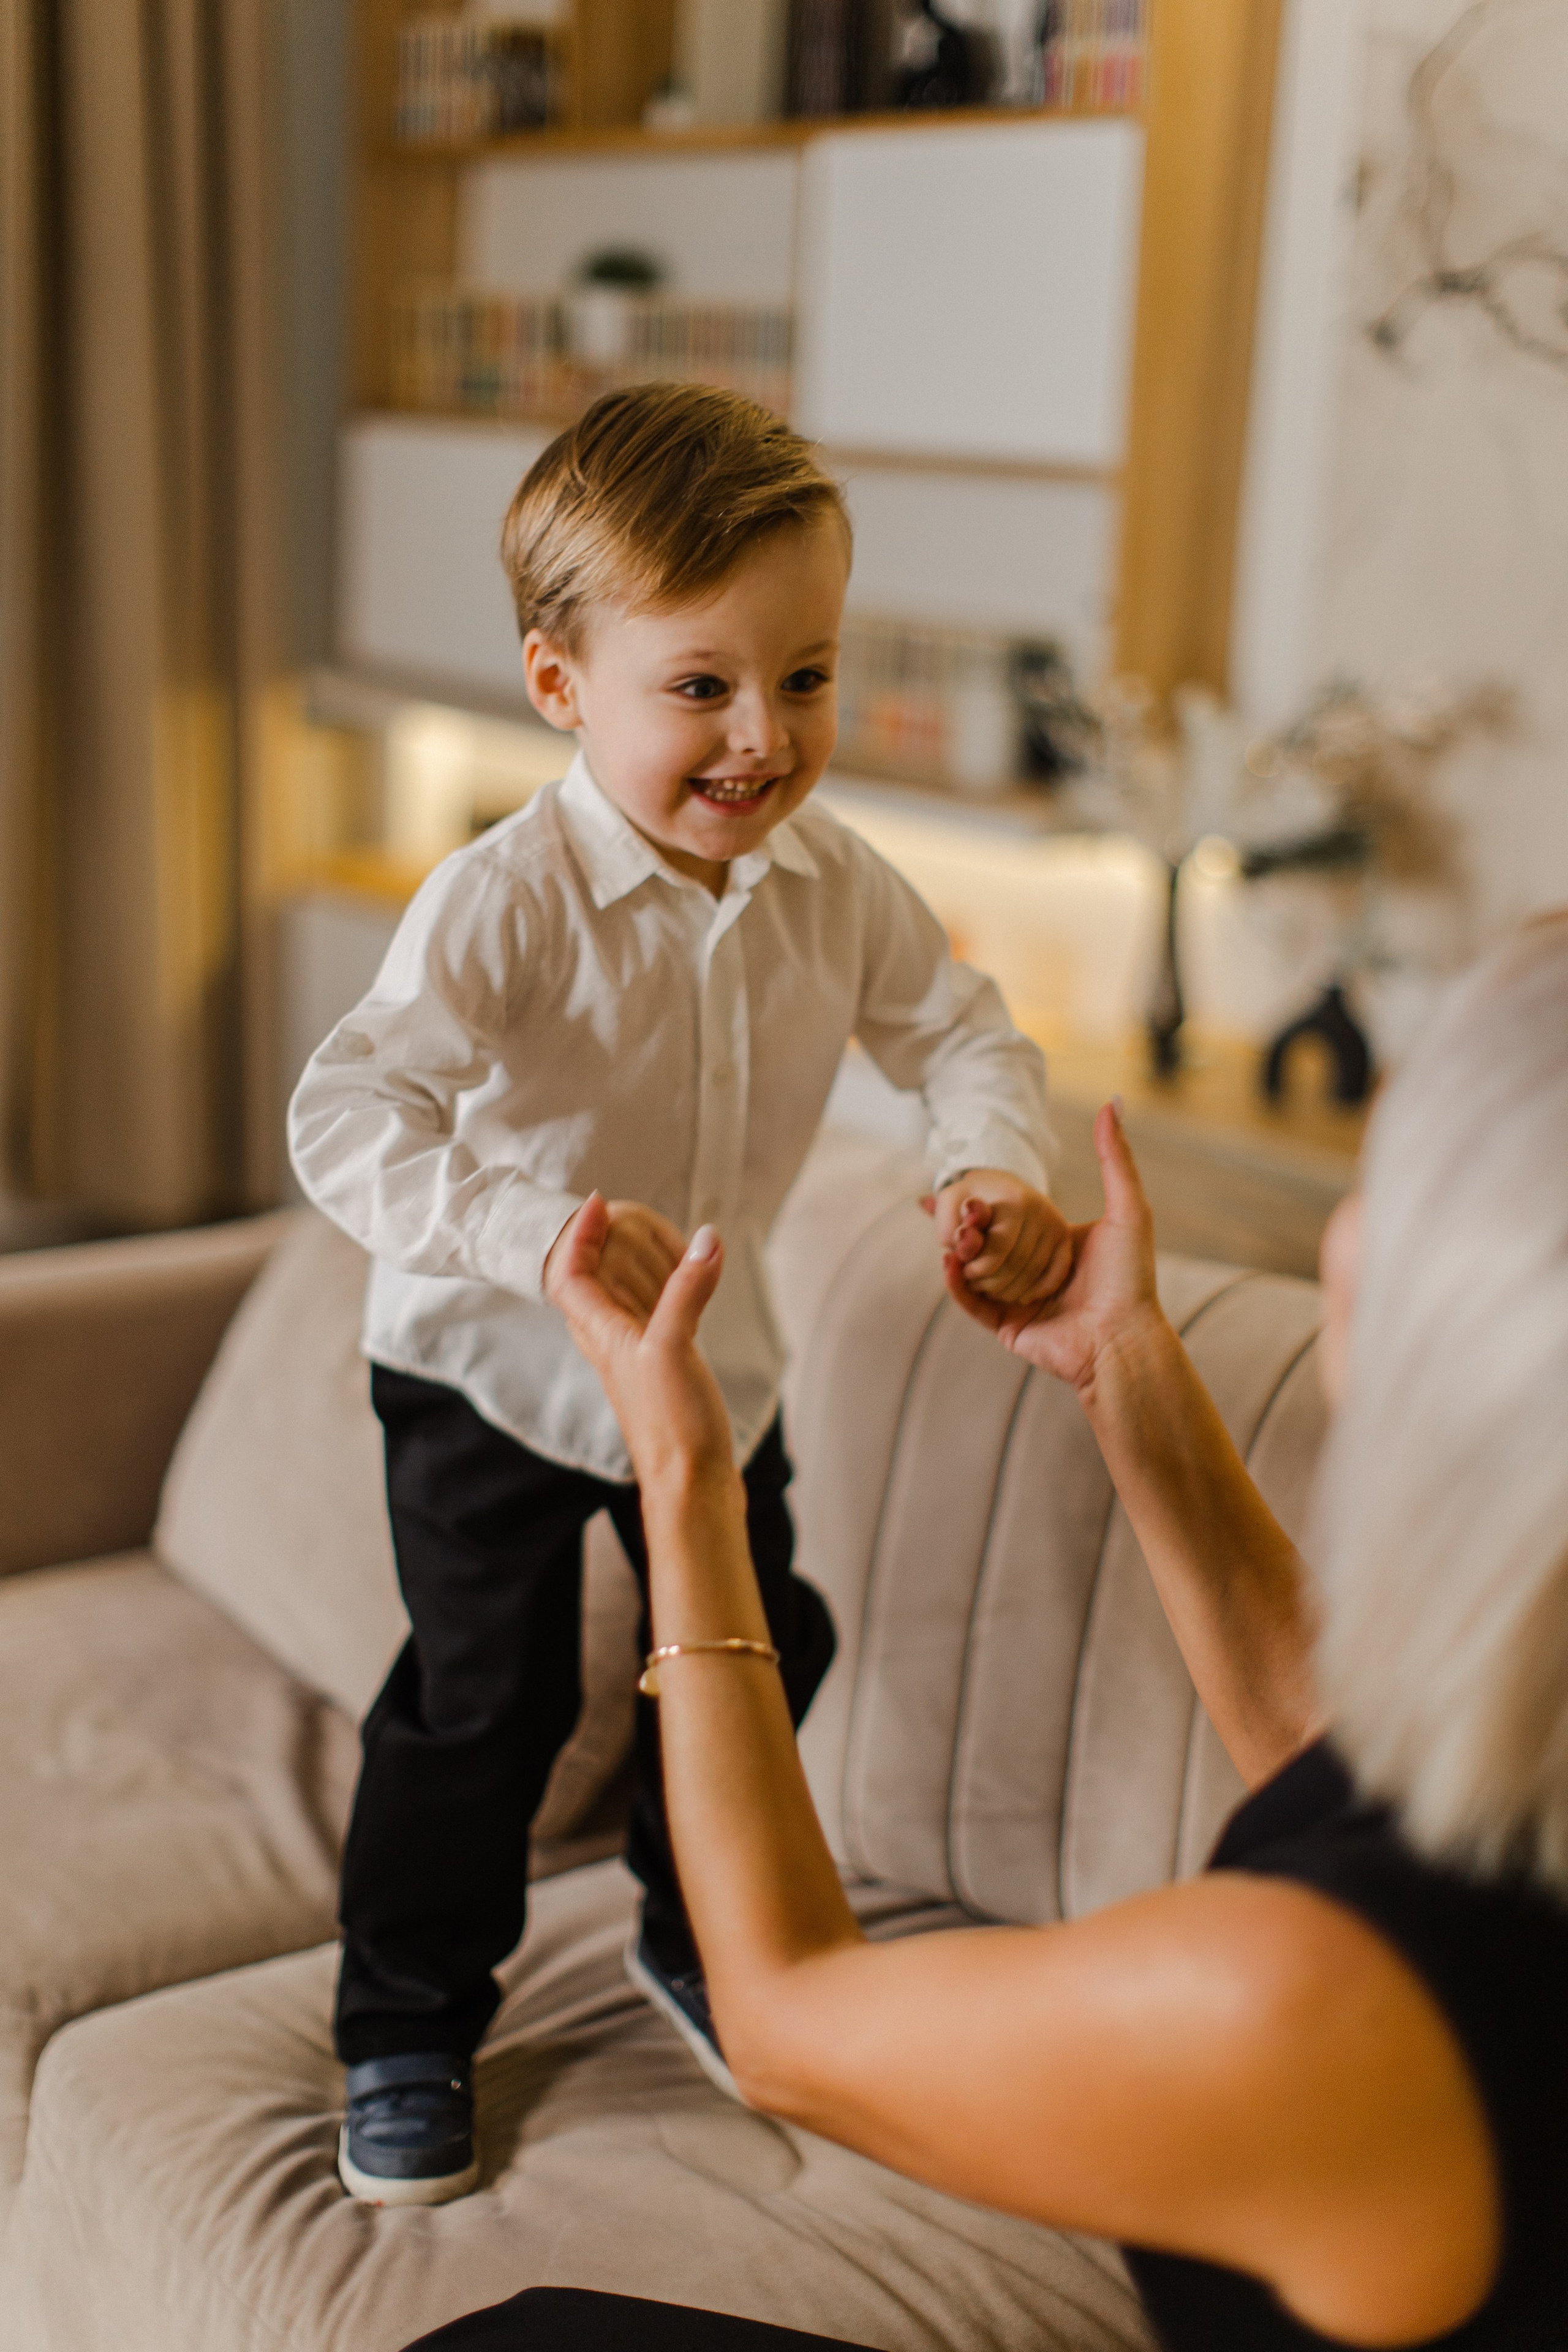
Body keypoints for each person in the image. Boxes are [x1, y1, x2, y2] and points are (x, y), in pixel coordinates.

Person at [415, 921, 1568, 2349]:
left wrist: (680, 1473)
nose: (1345, 1222)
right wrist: (1122, 1358)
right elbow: (1330, 1752)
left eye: (1380, 1177)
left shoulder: (1311, 2009)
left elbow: (785, 2021)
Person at [288, 382, 1069, 2206]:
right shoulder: (503, 898)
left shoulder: (838, 885)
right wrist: (520, 1230)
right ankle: (405, 2016)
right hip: (492, 1365)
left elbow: (958, 1031)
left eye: (803, 679)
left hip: (714, 1382)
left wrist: (991, 1171)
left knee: (756, 1651)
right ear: (562, 687)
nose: (762, 737)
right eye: (701, 686)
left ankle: (702, 1934)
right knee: (481, 1703)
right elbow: (348, 1111)